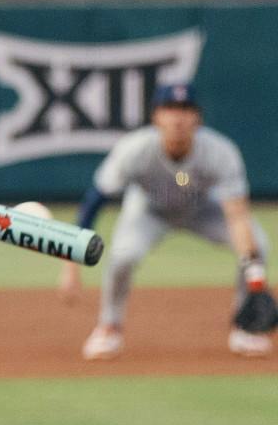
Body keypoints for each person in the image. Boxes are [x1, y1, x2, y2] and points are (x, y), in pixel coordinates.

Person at [63, 83, 270, 359]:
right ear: (156, 117)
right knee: (123, 256)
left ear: (198, 118)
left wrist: (256, 281)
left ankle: (246, 327)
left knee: (259, 246)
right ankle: (109, 327)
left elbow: (237, 217)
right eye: (170, 109)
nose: (178, 118)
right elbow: (94, 202)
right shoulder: (134, 149)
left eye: (186, 110)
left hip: (201, 208)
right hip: (149, 209)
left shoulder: (221, 152)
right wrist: (71, 266)